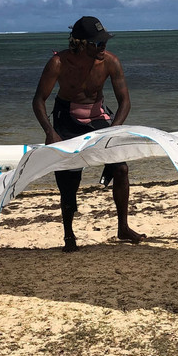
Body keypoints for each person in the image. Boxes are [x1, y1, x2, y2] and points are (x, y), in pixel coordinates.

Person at [32, 16, 146, 252]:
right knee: (69, 178)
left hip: (98, 118)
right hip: (67, 119)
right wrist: (50, 131)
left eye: (104, 41)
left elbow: (125, 101)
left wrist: (114, 130)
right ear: (81, 43)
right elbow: (38, 101)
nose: (103, 47)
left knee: (121, 168)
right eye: (97, 43)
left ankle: (123, 227)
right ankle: (69, 235)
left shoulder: (110, 62)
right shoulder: (58, 63)